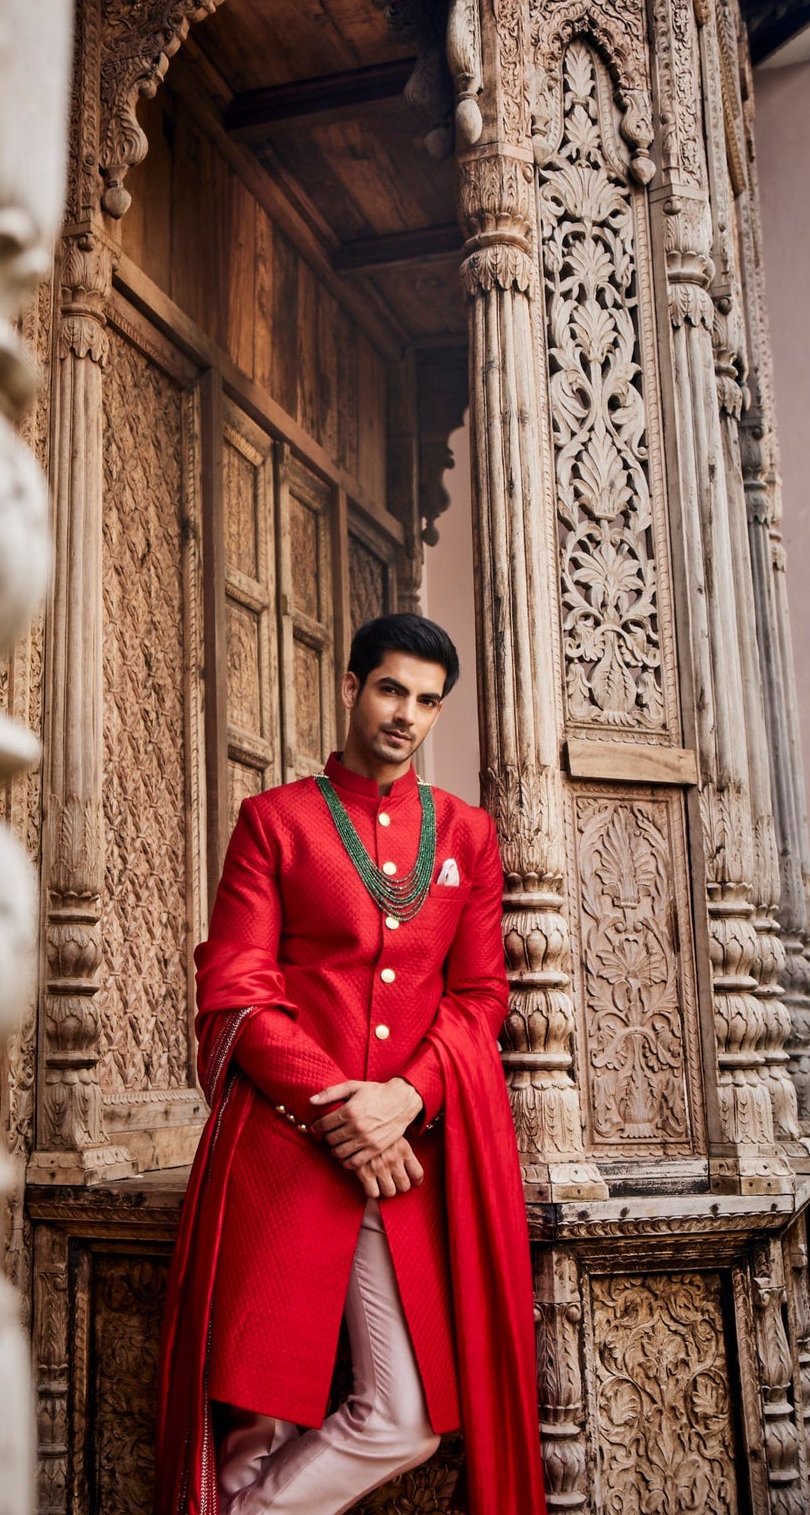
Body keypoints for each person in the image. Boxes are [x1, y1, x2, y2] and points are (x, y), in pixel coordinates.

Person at [154, 613, 545, 1515]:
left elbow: (482, 994)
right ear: (350, 687)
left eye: (426, 701)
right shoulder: (274, 823)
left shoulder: (465, 837)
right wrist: (350, 1112)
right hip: (283, 1151)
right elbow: (237, 990)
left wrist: (403, 1098)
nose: (405, 713)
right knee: (252, 1428)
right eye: (390, 689)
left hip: (405, 1149)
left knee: (400, 1419)